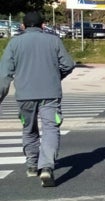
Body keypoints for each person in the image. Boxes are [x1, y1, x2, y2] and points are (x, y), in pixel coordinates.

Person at [0, 11, 75, 187]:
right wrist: (56, 76)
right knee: (50, 129)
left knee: (29, 129)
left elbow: (4, 74)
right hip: (50, 94)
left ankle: (32, 165)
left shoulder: (14, 43)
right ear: (43, 26)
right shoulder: (53, 40)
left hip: (25, 95)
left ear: (23, 27)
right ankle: (47, 166)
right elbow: (68, 64)